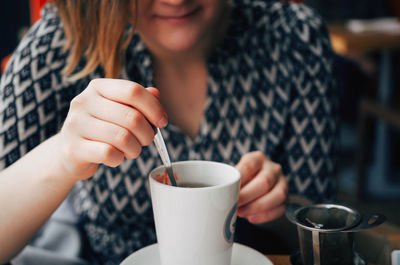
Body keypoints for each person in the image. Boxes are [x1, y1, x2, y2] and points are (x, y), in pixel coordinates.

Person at [0, 0, 337, 264]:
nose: (176, 0)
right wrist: (61, 156)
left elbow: (326, 233)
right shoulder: (66, 41)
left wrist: (278, 208)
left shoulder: (295, 38)